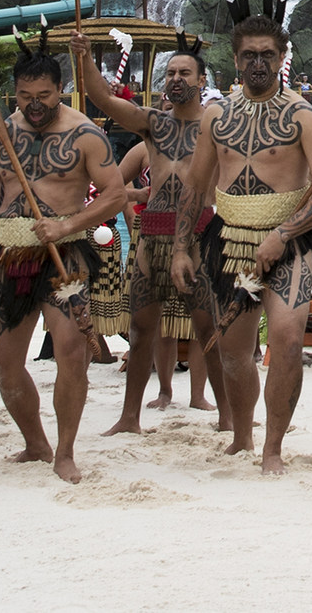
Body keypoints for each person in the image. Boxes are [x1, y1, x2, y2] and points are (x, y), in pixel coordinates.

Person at [0, 47, 125, 483]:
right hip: (9, 254)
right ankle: (35, 441)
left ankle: (65, 451)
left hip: (65, 254)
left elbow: (115, 196)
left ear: (60, 90)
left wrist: (67, 223)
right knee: (3, 362)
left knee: (71, 351)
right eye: (25, 94)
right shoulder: (1, 134)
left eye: (44, 94)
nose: (34, 103)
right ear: (13, 93)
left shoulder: (86, 135)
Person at [179, 12, 312, 475]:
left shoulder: (303, 116)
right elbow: (194, 187)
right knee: (233, 353)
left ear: (282, 58)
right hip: (228, 241)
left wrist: (284, 233)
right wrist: (179, 248)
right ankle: (242, 434)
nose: (257, 64)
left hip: (290, 242)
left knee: (287, 343)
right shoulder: (216, 116)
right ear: (234, 59)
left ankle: (272, 448)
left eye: (267, 55)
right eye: (249, 55)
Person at [86, 47, 219, 438]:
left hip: (199, 235)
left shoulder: (215, 126)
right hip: (153, 235)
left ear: (201, 81)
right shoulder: (152, 125)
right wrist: (84, 58)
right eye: (170, 73)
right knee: (143, 329)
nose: (176, 79)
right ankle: (130, 417)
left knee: (209, 328)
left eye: (185, 73)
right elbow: (102, 100)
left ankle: (228, 413)